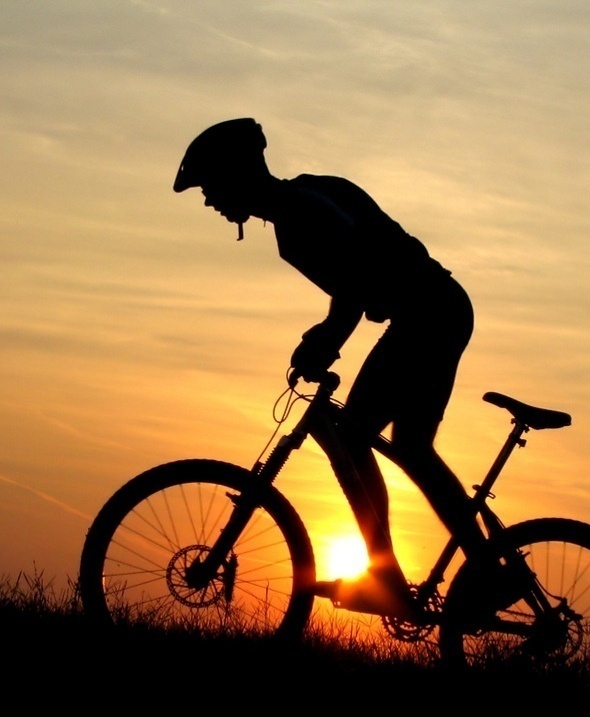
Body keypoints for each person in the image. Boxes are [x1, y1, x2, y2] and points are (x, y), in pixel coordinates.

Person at [174, 118, 474, 618]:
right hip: (425, 312)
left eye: (210, 186)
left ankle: (420, 573)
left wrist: (328, 339)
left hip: (430, 312)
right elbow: (352, 287)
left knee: (373, 442)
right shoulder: (290, 227)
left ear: (237, 174)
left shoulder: (303, 207)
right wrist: (323, 335)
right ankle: (442, 570)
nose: (208, 200)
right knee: (399, 445)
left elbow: (358, 275)